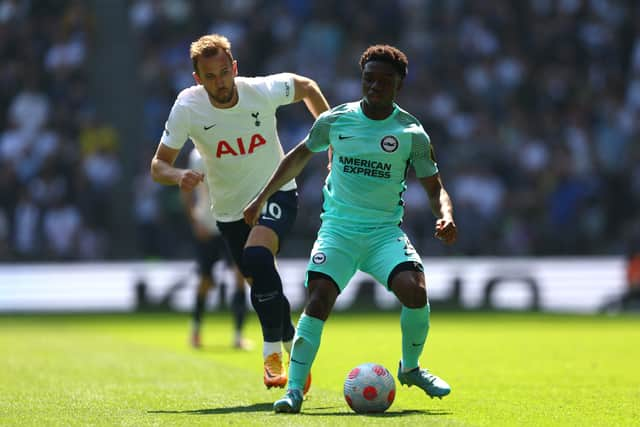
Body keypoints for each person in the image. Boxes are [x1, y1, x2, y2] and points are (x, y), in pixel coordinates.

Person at [244, 44, 457, 413]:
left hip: (383, 234)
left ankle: (410, 368)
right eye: (368, 79)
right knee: (319, 298)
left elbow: (435, 188)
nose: (374, 86)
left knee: (415, 291)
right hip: (338, 231)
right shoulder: (336, 121)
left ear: (398, 85)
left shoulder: (411, 133)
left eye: (383, 81)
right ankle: (294, 391)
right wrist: (261, 197)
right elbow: (297, 158)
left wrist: (447, 215)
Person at [150, 34, 330, 390]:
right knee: (262, 283)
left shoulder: (260, 91)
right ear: (198, 79)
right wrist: (178, 175)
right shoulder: (187, 107)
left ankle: (270, 358)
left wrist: (334, 138)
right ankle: (294, 349)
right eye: (210, 77)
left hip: (276, 193)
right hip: (230, 212)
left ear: (234, 68)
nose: (220, 83)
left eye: (224, 73)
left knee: (259, 259)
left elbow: (307, 86)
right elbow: (158, 165)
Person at [181, 148, 249, 350]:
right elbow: (186, 189)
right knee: (205, 280)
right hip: (208, 226)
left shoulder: (236, 148)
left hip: (233, 224)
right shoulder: (197, 157)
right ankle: (195, 330)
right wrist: (194, 220)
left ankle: (238, 336)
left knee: (239, 276)